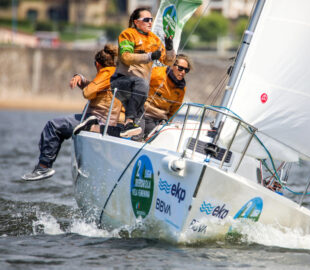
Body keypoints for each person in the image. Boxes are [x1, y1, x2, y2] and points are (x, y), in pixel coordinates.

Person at [22, 44, 125, 181]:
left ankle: (43, 168)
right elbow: (98, 87)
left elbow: (89, 92)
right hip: (109, 119)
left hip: (97, 118)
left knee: (53, 126)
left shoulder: (107, 72)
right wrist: (81, 79)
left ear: (97, 64)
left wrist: (84, 84)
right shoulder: (118, 73)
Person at [111, 7, 176, 137]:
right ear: (136, 22)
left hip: (139, 90)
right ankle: (128, 121)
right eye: (146, 20)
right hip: (121, 82)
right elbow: (126, 57)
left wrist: (169, 47)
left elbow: (168, 62)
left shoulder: (154, 39)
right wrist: (150, 56)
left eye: (151, 20)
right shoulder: (128, 34)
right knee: (141, 84)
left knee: (138, 131)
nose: (150, 22)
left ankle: (96, 128)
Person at [143, 54, 192, 139]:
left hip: (162, 119)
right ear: (173, 65)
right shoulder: (157, 73)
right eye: (180, 68)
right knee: (155, 136)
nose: (183, 72)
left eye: (186, 70)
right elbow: (140, 85)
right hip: (146, 114)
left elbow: (175, 108)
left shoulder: (181, 88)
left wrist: (168, 122)